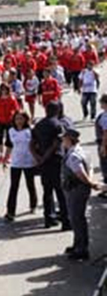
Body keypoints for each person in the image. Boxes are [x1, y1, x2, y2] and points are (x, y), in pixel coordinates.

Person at [61, 128, 100, 261]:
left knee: (76, 219)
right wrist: (91, 182)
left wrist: (90, 183)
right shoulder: (82, 151)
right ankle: (78, 244)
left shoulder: (73, 156)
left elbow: (80, 173)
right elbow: (90, 168)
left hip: (75, 190)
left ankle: (81, 250)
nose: (62, 141)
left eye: (64, 139)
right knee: (78, 218)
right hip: (80, 189)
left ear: (69, 140)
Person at [31, 101, 70, 230]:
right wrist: (45, 157)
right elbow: (56, 144)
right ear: (57, 110)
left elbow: (31, 144)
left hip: (44, 163)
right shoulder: (58, 125)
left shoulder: (38, 125)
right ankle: (66, 221)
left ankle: (48, 219)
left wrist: (38, 158)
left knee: (47, 191)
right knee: (60, 191)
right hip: (55, 161)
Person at [4, 111, 38, 221]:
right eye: (17, 119)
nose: (19, 121)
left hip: (29, 162)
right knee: (14, 187)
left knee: (30, 184)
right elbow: (9, 146)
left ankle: (33, 204)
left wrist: (37, 158)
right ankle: (10, 212)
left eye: (21, 119)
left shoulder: (30, 131)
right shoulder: (11, 131)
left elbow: (36, 145)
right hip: (16, 162)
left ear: (25, 120)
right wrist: (5, 159)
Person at [0, 84, 19, 164]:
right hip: (0, 120)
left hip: (9, 121)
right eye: (2, 89)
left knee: (9, 139)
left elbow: (16, 109)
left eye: (5, 89)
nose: (3, 91)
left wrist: (14, 116)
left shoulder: (12, 99)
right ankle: (1, 155)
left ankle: (8, 156)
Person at [95, 94, 107, 199]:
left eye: (101, 102)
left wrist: (103, 146)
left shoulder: (105, 116)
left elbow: (105, 133)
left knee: (105, 167)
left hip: (104, 144)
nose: (100, 104)